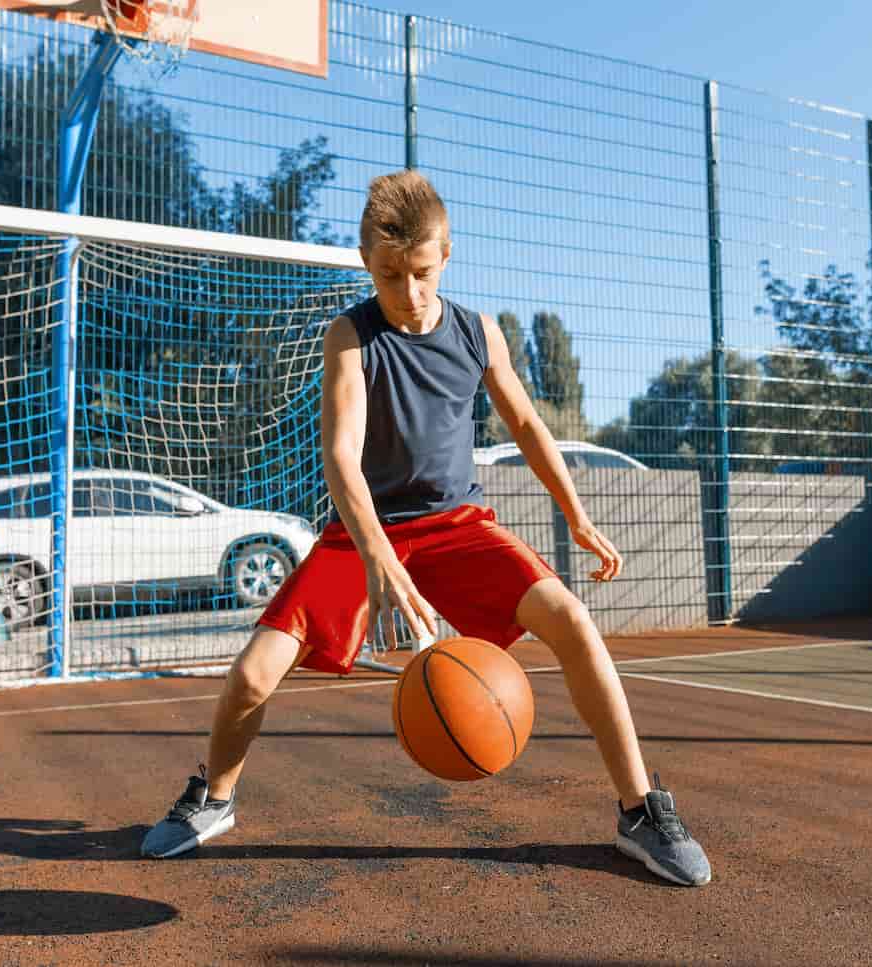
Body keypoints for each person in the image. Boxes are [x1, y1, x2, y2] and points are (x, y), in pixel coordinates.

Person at [141, 170, 711, 887]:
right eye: (388, 275)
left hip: (457, 523)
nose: (407, 293)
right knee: (253, 673)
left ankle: (641, 809)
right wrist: (379, 556)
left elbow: (529, 425)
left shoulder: (478, 332)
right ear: (364, 262)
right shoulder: (351, 336)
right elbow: (341, 456)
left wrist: (578, 514)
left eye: (420, 272)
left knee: (570, 617)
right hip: (363, 533)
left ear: (446, 255)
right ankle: (215, 797)